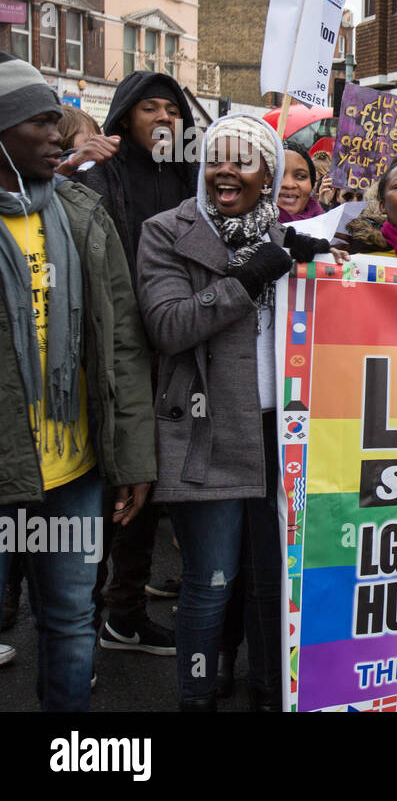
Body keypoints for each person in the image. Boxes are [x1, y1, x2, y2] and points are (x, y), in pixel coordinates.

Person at [136, 114, 339, 711]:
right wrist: (254, 274)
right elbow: (169, 325)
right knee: (211, 582)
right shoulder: (166, 231)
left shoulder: (288, 237)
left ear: (268, 174)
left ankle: (269, 690)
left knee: (273, 582)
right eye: (216, 157)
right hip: (208, 430)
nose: (226, 168)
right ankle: (195, 696)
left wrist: (325, 270)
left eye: (243, 159)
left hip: (285, 432)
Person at [0, 53, 155, 709]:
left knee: (69, 624)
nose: (60, 136)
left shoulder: (83, 216)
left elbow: (121, 345)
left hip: (72, 477)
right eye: (42, 123)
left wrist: (133, 459)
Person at [72, 69, 195, 657]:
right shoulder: (97, 177)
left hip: (178, 356)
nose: (164, 119)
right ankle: (75, 629)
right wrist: (73, 166)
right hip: (113, 358)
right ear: (124, 118)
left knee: (150, 493)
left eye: (172, 110)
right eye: (150, 109)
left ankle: (124, 615)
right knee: (101, 495)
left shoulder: (199, 180)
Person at [277, 141, 325, 223]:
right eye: (278, 174)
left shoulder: (330, 230)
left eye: (300, 176)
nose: (289, 184)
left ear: (311, 185)